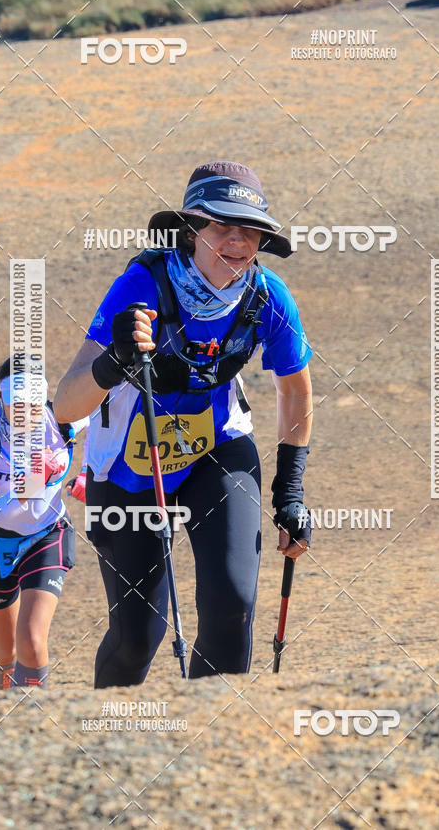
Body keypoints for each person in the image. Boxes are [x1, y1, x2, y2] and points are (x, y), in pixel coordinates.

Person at [54, 160, 313, 686]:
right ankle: (114, 742)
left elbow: (295, 390)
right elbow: (65, 405)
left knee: (233, 606)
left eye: (252, 231)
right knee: (137, 636)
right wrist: (114, 361)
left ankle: (212, 740)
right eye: (223, 226)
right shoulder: (141, 285)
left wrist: (290, 493)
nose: (239, 242)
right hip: (129, 465)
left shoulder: (268, 297)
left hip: (218, 449)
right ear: (191, 229)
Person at [0, 357, 87, 689]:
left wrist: (94, 471)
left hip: (48, 534)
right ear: (1, 398)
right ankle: (6, 711)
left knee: (31, 641)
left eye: (32, 403)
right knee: (7, 649)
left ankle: (31, 722)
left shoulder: (61, 420)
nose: (25, 412)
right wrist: (25, 487)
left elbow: (110, 408)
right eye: (16, 404)